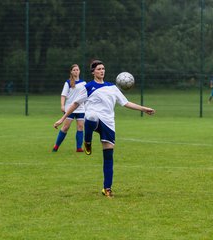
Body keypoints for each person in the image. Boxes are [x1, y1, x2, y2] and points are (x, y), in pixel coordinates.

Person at [53, 60, 155, 198]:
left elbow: (126, 103)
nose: (102, 71)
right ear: (93, 72)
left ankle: (107, 188)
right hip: (94, 118)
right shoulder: (88, 87)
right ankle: (87, 141)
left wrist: (144, 109)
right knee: (92, 117)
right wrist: (63, 118)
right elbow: (75, 104)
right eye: (99, 69)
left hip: (108, 123)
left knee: (108, 157)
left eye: (103, 68)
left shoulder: (112, 87)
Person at [52, 64, 86, 152]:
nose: (76, 71)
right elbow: (63, 95)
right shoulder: (68, 82)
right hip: (69, 108)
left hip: (81, 108)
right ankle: (56, 146)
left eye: (77, 69)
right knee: (65, 127)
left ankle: (79, 148)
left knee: (80, 127)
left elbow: (85, 97)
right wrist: (62, 105)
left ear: (79, 71)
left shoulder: (84, 83)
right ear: (71, 71)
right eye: (74, 70)